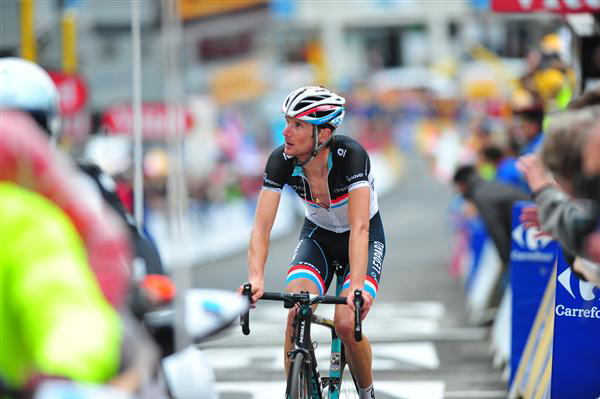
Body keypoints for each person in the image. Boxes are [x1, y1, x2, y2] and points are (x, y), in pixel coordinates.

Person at [242, 86, 384, 399]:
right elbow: (262, 226)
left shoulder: (351, 157)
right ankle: (296, 390)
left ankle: (367, 393)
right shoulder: (281, 160)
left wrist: (357, 286)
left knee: (347, 324)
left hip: (361, 237)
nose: (286, 132)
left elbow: (360, 227)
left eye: (298, 124)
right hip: (317, 236)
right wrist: (256, 277)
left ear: (324, 132)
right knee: (296, 311)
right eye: (287, 122)